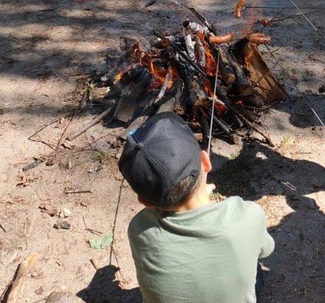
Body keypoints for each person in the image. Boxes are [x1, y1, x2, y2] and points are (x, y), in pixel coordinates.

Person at [118, 112, 275, 303]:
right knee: (255, 267)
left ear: (144, 202)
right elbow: (266, 249)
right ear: (206, 162)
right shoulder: (247, 214)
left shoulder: (139, 229)